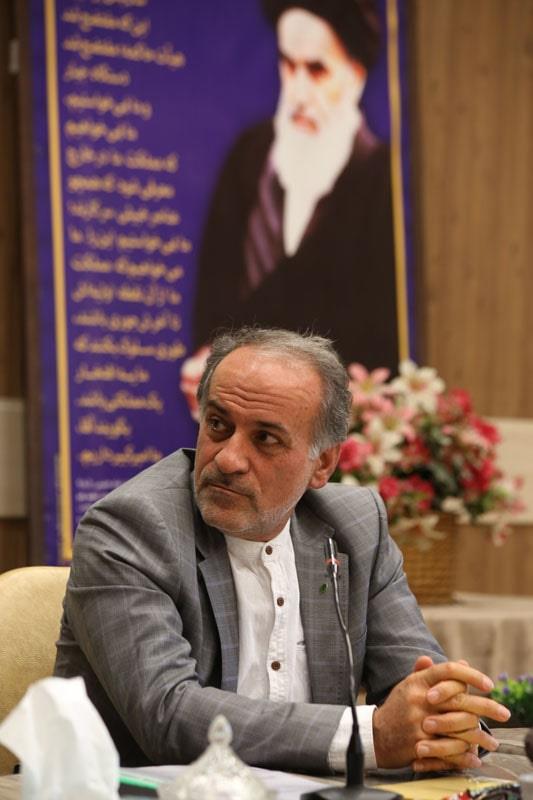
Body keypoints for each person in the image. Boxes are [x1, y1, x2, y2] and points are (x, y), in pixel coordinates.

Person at [55, 328, 509, 773]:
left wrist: (445, 719)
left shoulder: (355, 527)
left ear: (323, 463)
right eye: (218, 425)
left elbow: (422, 690)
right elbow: (168, 714)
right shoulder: (130, 528)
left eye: (265, 439)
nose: (228, 459)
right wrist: (369, 736)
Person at [193, 0, 399, 371]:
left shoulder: (383, 180)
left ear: (356, 74)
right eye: (289, 66)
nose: (298, 93)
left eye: (317, 70)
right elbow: (213, 294)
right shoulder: (249, 155)